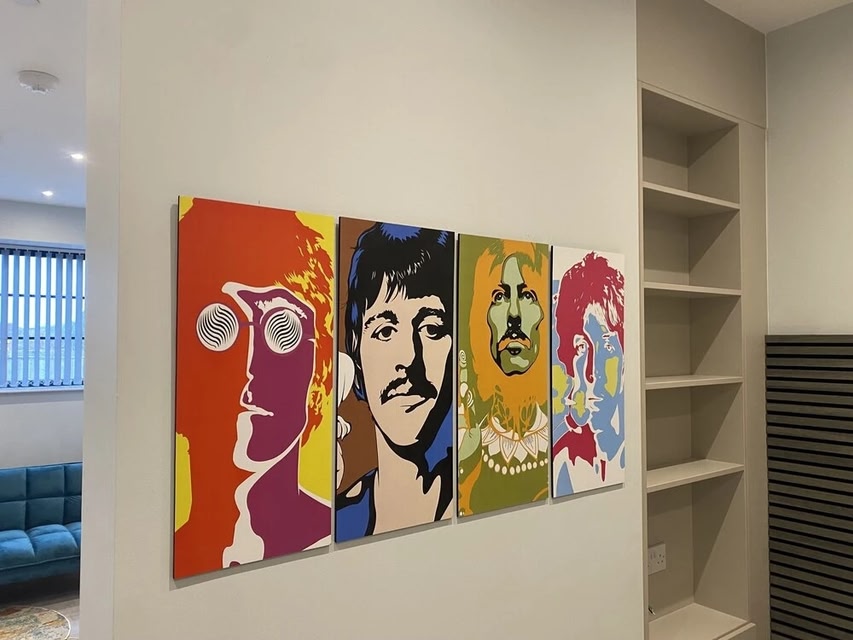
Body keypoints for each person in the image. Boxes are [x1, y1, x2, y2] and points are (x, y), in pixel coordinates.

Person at [174, 197, 333, 578]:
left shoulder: (340, 529)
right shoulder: (165, 554)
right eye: (219, 329)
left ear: (321, 372)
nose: (249, 371)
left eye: (283, 331)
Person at [336, 222, 454, 542]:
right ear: (356, 354)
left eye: (431, 329)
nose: (409, 358)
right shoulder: (341, 521)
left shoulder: (474, 499)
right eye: (385, 331)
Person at [458, 238, 550, 516]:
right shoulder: (469, 442)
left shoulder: (564, 431)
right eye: (499, 297)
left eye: (527, 295)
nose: (514, 314)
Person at [552, 251, 625, 496]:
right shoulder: (563, 462)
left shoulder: (633, 451)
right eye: (581, 348)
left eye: (606, 346)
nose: (591, 373)